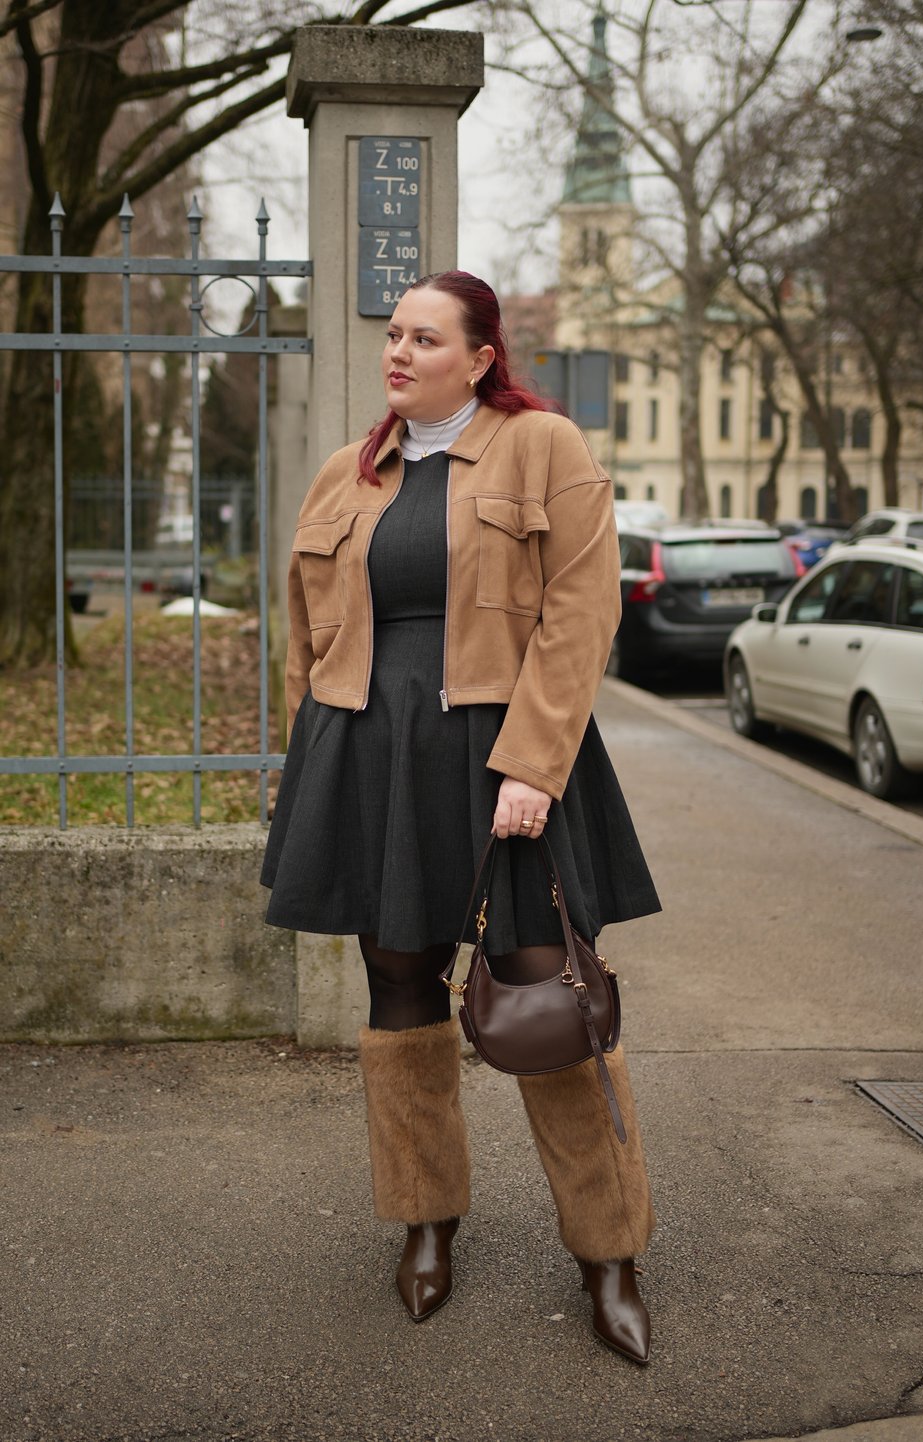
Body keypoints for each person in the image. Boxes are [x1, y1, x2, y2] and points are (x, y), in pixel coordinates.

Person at [261, 271, 661, 1365]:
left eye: (423, 337)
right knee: (399, 980)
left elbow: (580, 614)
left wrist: (532, 763)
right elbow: (305, 629)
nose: (397, 352)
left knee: (548, 994)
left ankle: (610, 1249)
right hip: (373, 761)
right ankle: (426, 1218)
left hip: (503, 760)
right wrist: (312, 762)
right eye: (391, 334)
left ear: (481, 355)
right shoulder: (349, 474)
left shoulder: (544, 450)